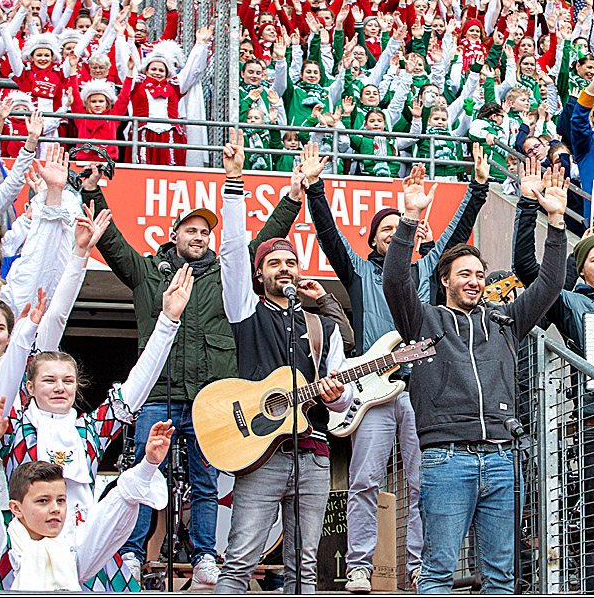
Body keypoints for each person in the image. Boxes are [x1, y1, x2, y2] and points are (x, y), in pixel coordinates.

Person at [80, 161, 306, 588]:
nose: (199, 237)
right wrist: (92, 192)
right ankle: (131, 552)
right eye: (191, 230)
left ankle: (204, 552)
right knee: (144, 474)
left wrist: (292, 197)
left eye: (205, 232)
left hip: (211, 397)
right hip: (157, 394)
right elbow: (111, 243)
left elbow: (255, 243)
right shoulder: (149, 271)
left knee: (205, 478)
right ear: (175, 234)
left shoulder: (226, 275)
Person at [300, 140, 490, 593]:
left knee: (423, 482)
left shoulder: (428, 271)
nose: (393, 234)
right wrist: (314, 189)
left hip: (424, 389)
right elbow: (328, 232)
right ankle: (361, 566)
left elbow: (459, 230)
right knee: (365, 479)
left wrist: (479, 188)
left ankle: (418, 566)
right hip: (372, 394)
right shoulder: (359, 272)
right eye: (384, 230)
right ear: (374, 240)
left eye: (398, 227)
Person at [383, 162, 570, 593]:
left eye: (479, 275)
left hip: (502, 459)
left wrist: (556, 224)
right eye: (464, 274)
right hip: (447, 460)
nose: (475, 281)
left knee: (501, 576)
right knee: (438, 573)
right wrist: (409, 220)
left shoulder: (505, 320)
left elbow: (549, 285)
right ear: (444, 280)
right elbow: (395, 281)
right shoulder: (425, 321)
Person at [215, 137, 353, 594]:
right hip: (260, 456)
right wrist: (234, 183)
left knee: (305, 569)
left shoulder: (320, 326)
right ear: (260, 275)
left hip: (313, 456)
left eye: (291, 261)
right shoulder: (245, 310)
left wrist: (338, 397)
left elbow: (344, 396)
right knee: (238, 564)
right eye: (274, 263)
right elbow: (233, 253)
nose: (285, 268)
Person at [0, 396, 172, 592]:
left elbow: (116, 508)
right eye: (42, 501)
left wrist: (149, 464)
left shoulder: (73, 550)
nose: (55, 509)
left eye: (61, 500)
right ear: (16, 508)